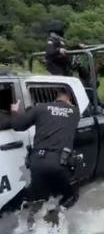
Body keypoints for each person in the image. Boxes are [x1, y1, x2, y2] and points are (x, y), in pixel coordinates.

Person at [8, 88, 80, 225]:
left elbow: (17, 125)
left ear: (54, 98)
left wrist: (15, 111)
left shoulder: (40, 108)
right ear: (69, 99)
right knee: (71, 196)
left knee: (38, 199)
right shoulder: (75, 113)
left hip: (38, 163)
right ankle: (55, 214)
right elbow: (67, 113)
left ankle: (32, 225)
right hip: (61, 164)